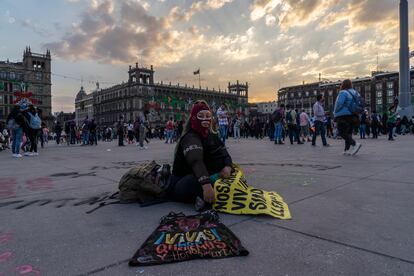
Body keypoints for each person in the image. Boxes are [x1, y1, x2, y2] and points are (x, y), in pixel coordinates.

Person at [168, 100, 233, 206]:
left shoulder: (212, 136)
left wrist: (228, 166)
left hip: (207, 176)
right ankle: (202, 196)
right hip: (184, 182)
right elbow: (196, 161)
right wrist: (206, 185)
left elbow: (225, 153)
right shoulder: (190, 137)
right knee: (196, 182)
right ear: (194, 118)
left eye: (208, 115)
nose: (206, 119)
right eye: (201, 115)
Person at [333, 79, 362, 155]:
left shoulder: (343, 92)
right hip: (354, 115)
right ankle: (347, 150)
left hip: (343, 115)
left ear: (343, 85)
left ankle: (355, 144)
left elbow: (339, 103)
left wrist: (335, 112)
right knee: (348, 132)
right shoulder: (356, 93)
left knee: (341, 132)